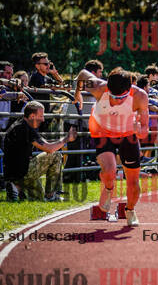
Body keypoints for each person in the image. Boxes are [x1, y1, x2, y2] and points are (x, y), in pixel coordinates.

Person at [74, 67, 149, 227]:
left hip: (127, 133)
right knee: (109, 170)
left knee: (133, 181)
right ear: (108, 88)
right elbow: (82, 74)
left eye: (121, 97)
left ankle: (130, 210)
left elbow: (144, 130)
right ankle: (108, 189)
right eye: (113, 96)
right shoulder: (98, 87)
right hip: (102, 131)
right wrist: (77, 93)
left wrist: (139, 130)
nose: (116, 101)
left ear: (129, 90)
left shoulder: (140, 96)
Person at [3, 101, 77, 201]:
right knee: (55, 155)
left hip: (12, 173)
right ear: (32, 116)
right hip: (24, 172)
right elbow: (49, 149)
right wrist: (66, 139)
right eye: (41, 116)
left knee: (38, 198)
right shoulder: (26, 128)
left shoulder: (18, 124)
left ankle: (17, 188)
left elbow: (45, 144)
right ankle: (52, 195)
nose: (43, 119)